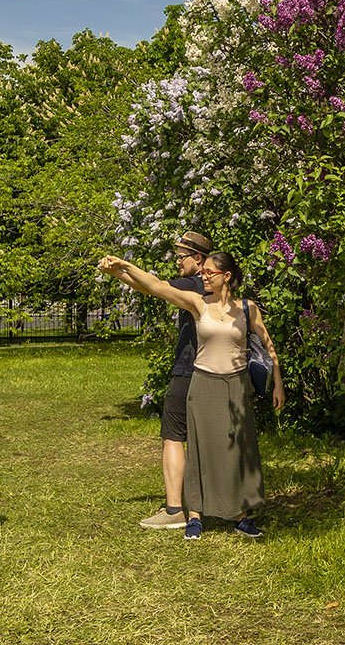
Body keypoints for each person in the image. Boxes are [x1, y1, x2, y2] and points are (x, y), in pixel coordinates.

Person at [99, 250, 285, 539]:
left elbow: (267, 343)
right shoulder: (198, 303)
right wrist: (124, 266)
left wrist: (278, 382)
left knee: (239, 447)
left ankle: (242, 516)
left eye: (210, 272)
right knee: (200, 448)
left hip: (236, 386)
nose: (204, 276)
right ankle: (195, 516)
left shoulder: (247, 308)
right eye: (204, 271)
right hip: (203, 383)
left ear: (227, 276)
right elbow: (158, 286)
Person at [119, 231, 214, 530]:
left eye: (181, 256)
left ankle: (175, 510)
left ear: (198, 258)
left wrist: (123, 267)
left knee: (173, 435)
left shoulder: (193, 284)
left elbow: (156, 287)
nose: (177, 262)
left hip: (188, 370)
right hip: (213, 371)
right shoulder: (214, 287)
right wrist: (121, 274)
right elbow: (154, 289)